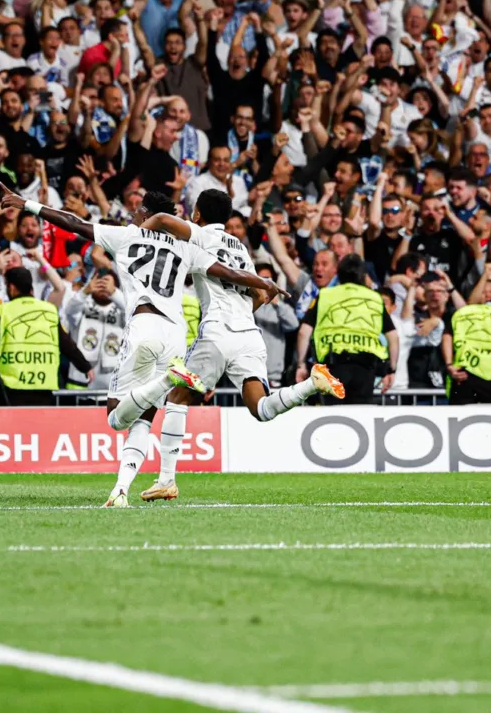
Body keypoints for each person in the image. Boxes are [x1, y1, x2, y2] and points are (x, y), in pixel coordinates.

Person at [0, 183, 287, 507]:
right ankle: (120, 490)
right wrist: (261, 281)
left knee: (115, 418)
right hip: (175, 334)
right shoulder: (185, 246)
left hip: (144, 324)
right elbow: (225, 271)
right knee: (144, 417)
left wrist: (28, 205)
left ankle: (168, 380)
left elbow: (73, 222)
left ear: (146, 213)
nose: (133, 215)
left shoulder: (127, 235)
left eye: (137, 211)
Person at [138, 188, 342, 502]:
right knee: (261, 408)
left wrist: (137, 234)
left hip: (217, 329)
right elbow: (262, 295)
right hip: (248, 334)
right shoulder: (242, 250)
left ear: (197, 214)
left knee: (176, 397)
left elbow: (164, 219)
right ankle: (310, 384)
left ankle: (166, 479)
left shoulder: (202, 235)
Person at [0, 265, 92, 404]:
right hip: (43, 389)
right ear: (31, 288)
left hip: (10, 391)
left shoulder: (2, 311)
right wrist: (85, 366)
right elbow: (67, 343)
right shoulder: (49, 310)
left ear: (11, 288)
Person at [295, 254, 398, 404]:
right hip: (366, 368)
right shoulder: (374, 298)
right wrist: (391, 370)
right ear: (363, 275)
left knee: (333, 419)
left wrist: (301, 364)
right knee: (359, 420)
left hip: (332, 367)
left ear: (339, 273)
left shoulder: (325, 295)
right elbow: (393, 337)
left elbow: (304, 332)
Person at [441, 286, 491, 404]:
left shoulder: (462, 312)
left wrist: (449, 365)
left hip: (460, 376)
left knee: (459, 419)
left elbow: (447, 336)